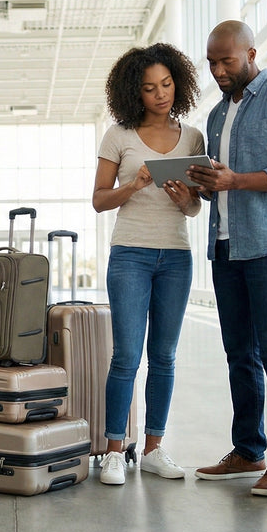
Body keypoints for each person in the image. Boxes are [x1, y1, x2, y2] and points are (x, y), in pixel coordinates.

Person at [185, 20, 267, 496]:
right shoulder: (218, 116)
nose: (218, 70)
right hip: (225, 246)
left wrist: (236, 180)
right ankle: (248, 450)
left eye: (226, 61)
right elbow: (218, 183)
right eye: (211, 63)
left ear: (251, 54)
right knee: (238, 354)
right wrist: (200, 183)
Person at [92, 43, 205, 485]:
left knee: (164, 356)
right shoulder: (117, 136)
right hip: (131, 255)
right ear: (132, 93)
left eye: (166, 84)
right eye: (149, 88)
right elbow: (100, 200)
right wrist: (134, 185)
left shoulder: (194, 138)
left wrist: (186, 201)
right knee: (126, 356)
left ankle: (155, 448)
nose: (160, 94)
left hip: (176, 256)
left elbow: (195, 209)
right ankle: (115, 450)